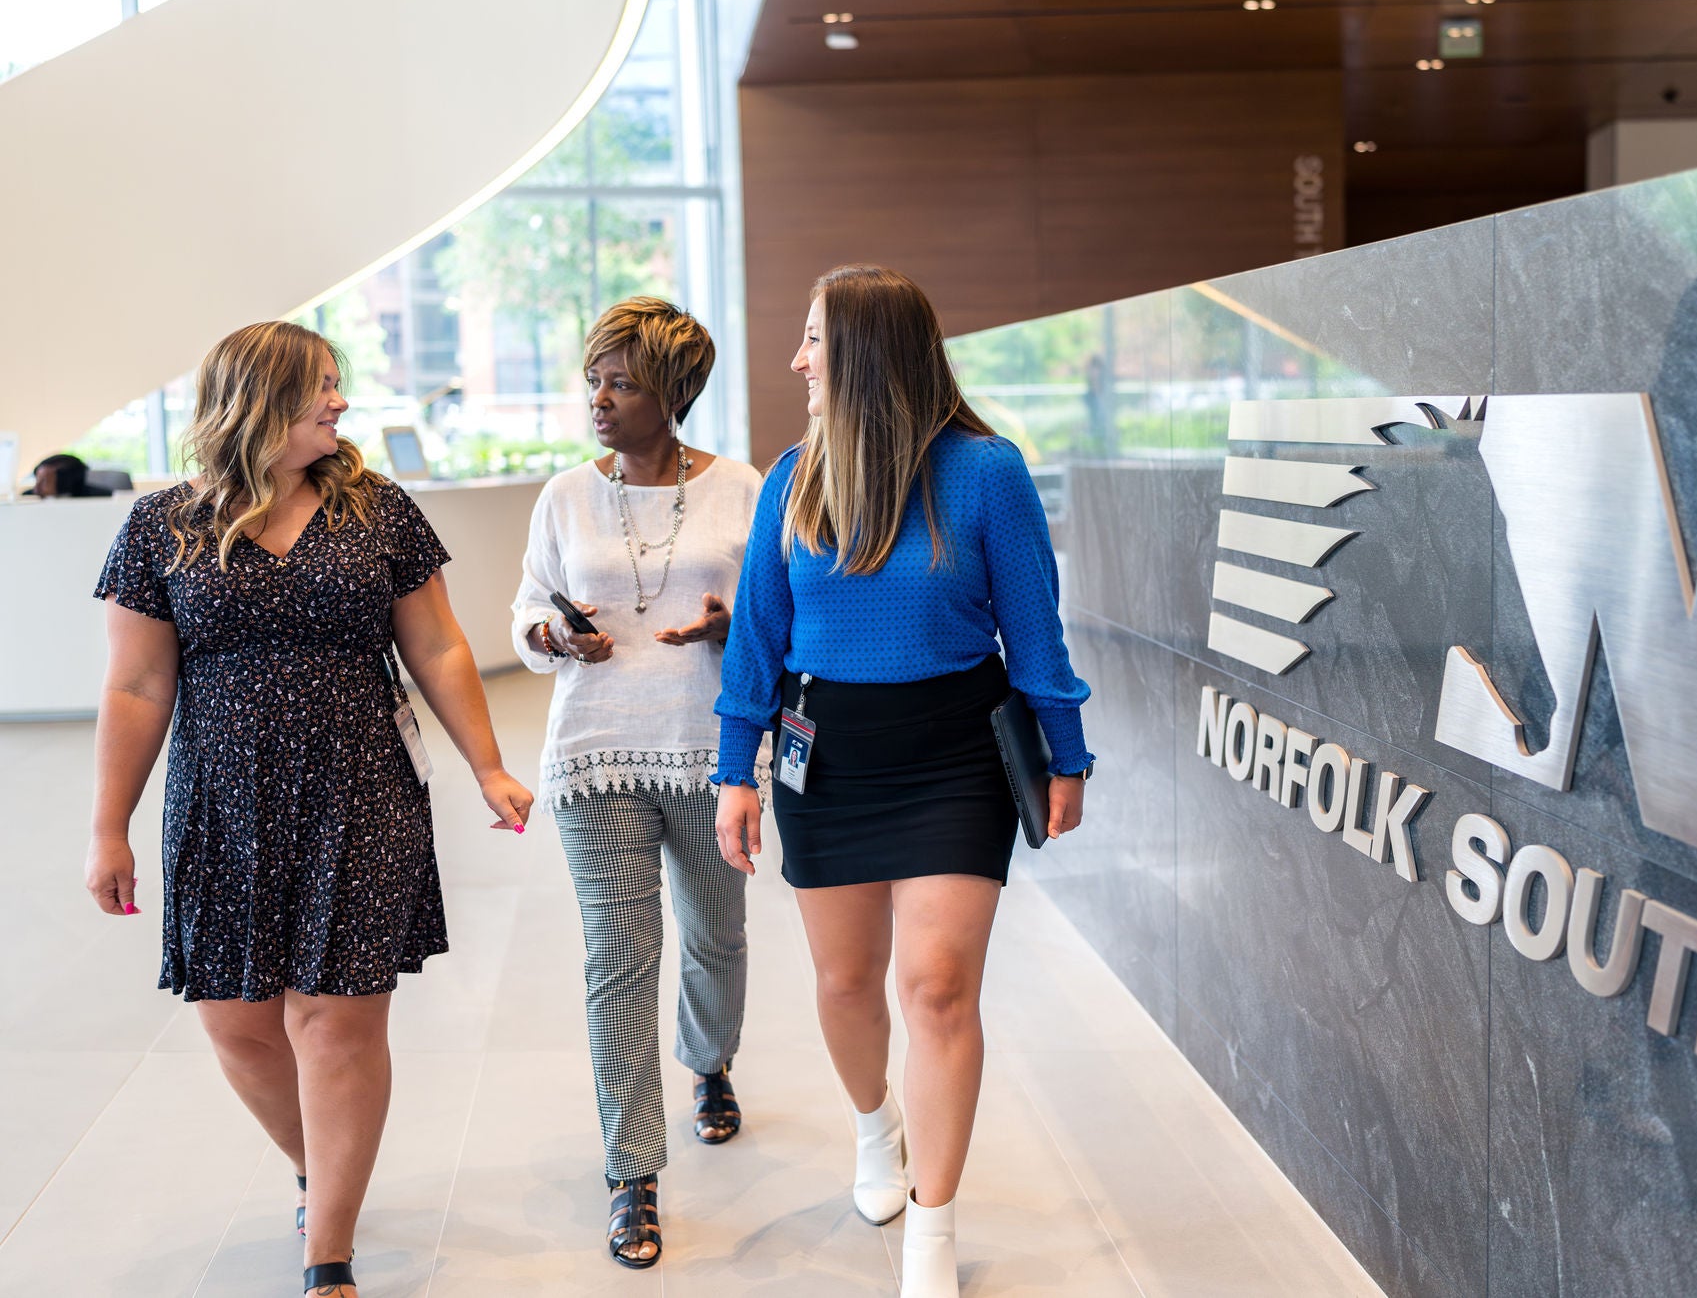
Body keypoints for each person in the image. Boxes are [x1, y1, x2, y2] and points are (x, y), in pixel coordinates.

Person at [84, 321, 534, 1298]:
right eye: (320, 387)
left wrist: (490, 766)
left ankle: (327, 1249)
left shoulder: (378, 511)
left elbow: (441, 647)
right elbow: (135, 690)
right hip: (221, 799)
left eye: (338, 384)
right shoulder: (162, 525)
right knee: (238, 1024)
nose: (339, 402)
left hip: (360, 786)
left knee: (333, 1021)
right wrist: (108, 826)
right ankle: (316, 1166)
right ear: (257, 401)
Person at [713, 265, 1093, 1298]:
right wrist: (733, 771)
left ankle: (935, 1223)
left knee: (935, 986)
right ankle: (874, 1126)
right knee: (845, 982)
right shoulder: (793, 476)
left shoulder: (986, 474)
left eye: (813, 340)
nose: (797, 360)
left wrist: (1066, 752)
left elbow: (1036, 630)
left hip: (953, 754)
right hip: (824, 753)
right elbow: (757, 636)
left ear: (870, 353)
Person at [510, 296, 761, 1269]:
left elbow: (775, 614)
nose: (598, 401)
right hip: (594, 752)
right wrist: (549, 634)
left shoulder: (740, 488)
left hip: (712, 750)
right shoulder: (566, 496)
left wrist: (729, 624)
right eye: (592, 381)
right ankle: (631, 1175)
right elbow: (529, 605)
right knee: (617, 960)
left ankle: (709, 1062)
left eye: (619, 382)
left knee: (716, 931)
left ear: (673, 390)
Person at [29, 452, 112, 497]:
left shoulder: (102, 498)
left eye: (44, 482)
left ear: (64, 483)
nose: (36, 489)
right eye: (37, 479)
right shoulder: (28, 497)